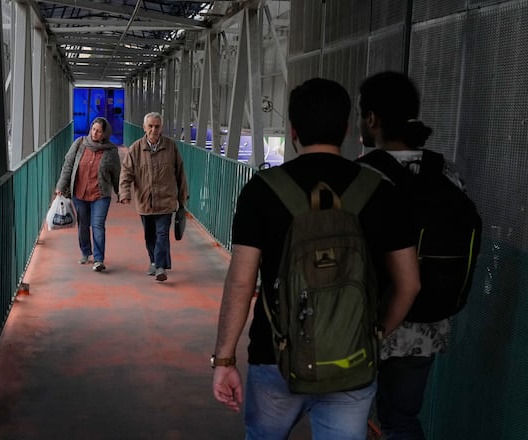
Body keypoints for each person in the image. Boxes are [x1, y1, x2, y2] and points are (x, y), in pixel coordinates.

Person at [211, 77, 421, 439]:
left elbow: (241, 283)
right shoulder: (381, 191)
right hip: (352, 360)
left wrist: (225, 359)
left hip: (275, 357)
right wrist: (372, 334)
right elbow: (410, 284)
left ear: (293, 130)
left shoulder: (261, 190)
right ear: (345, 128)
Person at [357, 71, 464, 440]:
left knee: (347, 414)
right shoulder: (447, 173)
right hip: (427, 325)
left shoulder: (363, 176)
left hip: (366, 321)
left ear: (371, 119)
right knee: (402, 420)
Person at [118, 112, 188, 282]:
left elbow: (180, 174)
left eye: (157, 126)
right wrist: (125, 193)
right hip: (145, 201)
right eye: (150, 126)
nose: (153, 129)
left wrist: (182, 199)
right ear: (144, 127)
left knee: (162, 233)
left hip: (166, 201)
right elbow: (126, 173)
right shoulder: (135, 149)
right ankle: (155, 261)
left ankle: (160, 267)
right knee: (150, 236)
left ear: (161, 128)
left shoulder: (171, 147)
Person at [55, 117, 121, 272]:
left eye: (99, 131)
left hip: (100, 194)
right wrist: (61, 186)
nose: (95, 133)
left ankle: (98, 259)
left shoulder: (111, 151)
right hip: (80, 192)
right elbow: (68, 165)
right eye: (93, 129)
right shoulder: (79, 144)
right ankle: (85, 251)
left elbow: (117, 174)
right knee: (83, 225)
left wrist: (121, 192)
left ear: (105, 133)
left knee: (98, 225)